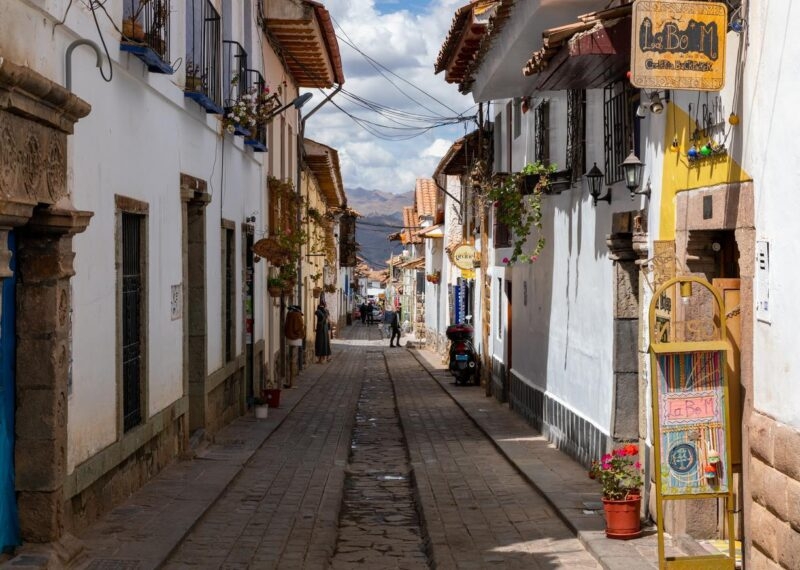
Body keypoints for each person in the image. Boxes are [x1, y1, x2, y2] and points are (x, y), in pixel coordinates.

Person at [284, 305, 304, 388]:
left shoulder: (289, 315)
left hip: (289, 337)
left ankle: (290, 381)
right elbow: (299, 327)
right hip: (296, 339)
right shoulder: (297, 316)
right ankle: (291, 382)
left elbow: (286, 326)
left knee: (291, 360)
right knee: (293, 360)